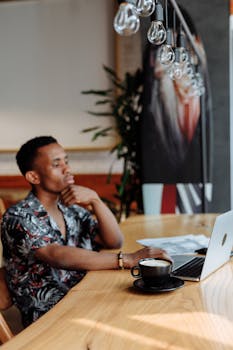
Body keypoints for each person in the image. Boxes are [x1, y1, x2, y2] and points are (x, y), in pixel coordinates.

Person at [1, 136, 170, 327]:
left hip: (85, 295)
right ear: (34, 177)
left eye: (67, 161)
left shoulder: (72, 210)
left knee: (153, 304)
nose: (68, 169)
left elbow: (113, 241)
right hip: (51, 317)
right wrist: (126, 259)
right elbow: (57, 254)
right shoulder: (19, 216)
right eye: (57, 164)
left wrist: (96, 200)